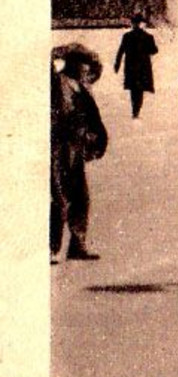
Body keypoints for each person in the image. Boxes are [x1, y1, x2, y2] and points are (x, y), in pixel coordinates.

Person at [51, 45, 107, 262]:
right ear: (73, 63)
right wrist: (61, 53)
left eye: (88, 64)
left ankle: (78, 244)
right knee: (58, 196)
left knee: (80, 196)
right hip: (59, 144)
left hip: (77, 144)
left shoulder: (83, 84)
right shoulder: (59, 81)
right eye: (83, 63)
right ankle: (52, 248)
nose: (87, 68)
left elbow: (99, 66)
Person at [113, 15, 159, 120]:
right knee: (140, 89)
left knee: (134, 89)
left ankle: (135, 110)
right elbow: (154, 51)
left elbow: (121, 51)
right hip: (143, 67)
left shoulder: (127, 36)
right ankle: (136, 111)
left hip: (131, 66)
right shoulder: (148, 37)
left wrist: (117, 64)